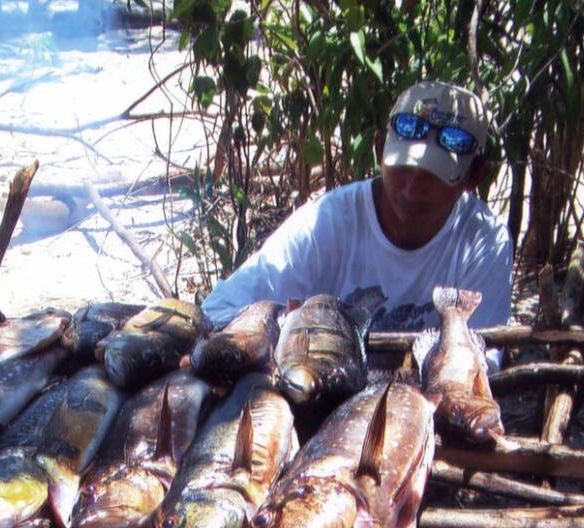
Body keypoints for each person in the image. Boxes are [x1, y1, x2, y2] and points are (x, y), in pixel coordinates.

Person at [200, 80, 513, 343]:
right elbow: (220, 309)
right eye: (402, 169)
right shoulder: (327, 222)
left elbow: (481, 362)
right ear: (379, 150)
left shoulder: (483, 241)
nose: (412, 189)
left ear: (474, 177)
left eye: (435, 176)